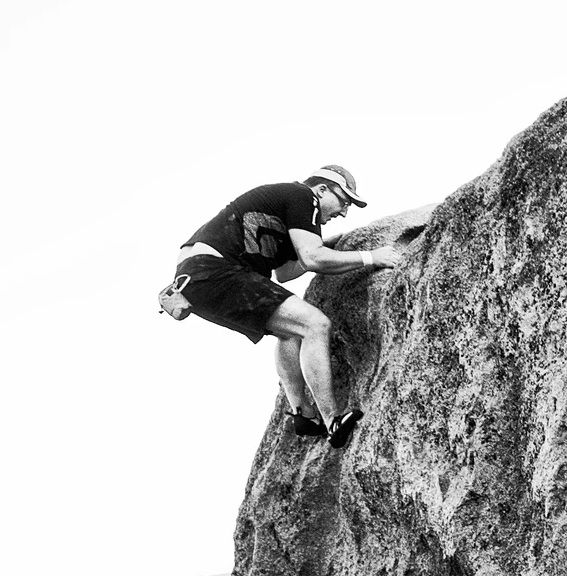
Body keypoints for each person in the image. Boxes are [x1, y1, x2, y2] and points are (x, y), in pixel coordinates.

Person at [158, 164, 416, 447]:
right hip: (216, 270)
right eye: (343, 201)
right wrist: (371, 257)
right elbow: (313, 258)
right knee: (316, 324)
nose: (343, 212)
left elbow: (286, 272)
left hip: (195, 282)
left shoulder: (283, 213)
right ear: (321, 189)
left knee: (290, 330)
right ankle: (332, 420)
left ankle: (302, 414)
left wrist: (328, 247)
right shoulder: (302, 197)